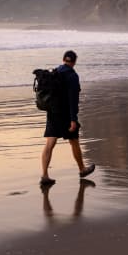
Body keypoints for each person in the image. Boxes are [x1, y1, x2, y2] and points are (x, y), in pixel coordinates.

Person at [40, 50, 95, 186]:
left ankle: (45, 175)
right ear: (74, 62)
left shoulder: (55, 72)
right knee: (74, 140)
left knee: (50, 143)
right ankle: (82, 169)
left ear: (63, 59)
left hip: (52, 112)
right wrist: (73, 119)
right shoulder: (72, 75)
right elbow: (73, 99)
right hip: (65, 114)